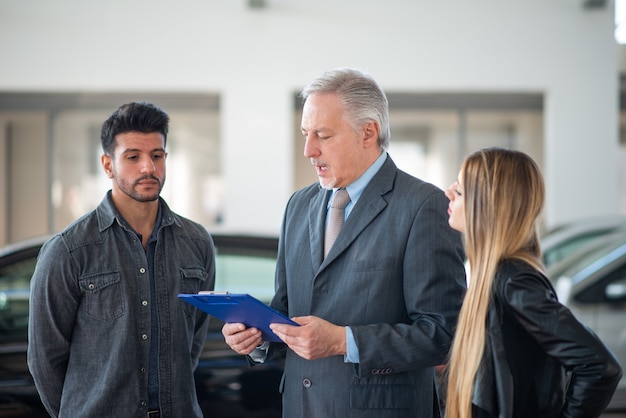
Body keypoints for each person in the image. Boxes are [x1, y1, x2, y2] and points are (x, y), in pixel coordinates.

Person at [222, 68, 467, 417]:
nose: (308, 150)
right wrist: (257, 337)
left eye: (322, 135)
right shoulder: (298, 205)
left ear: (368, 133)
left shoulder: (422, 205)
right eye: (306, 133)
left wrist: (342, 341)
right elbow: (287, 310)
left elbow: (443, 334)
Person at [27, 101, 216, 418]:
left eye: (157, 155)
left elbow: (193, 343)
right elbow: (45, 358)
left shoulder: (196, 243)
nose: (148, 168)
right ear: (107, 165)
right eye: (133, 157)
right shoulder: (69, 250)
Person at [442, 147, 623, 418]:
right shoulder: (493, 277)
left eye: (459, 191)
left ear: (486, 205)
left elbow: (600, 366)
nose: (448, 192)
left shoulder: (514, 282)